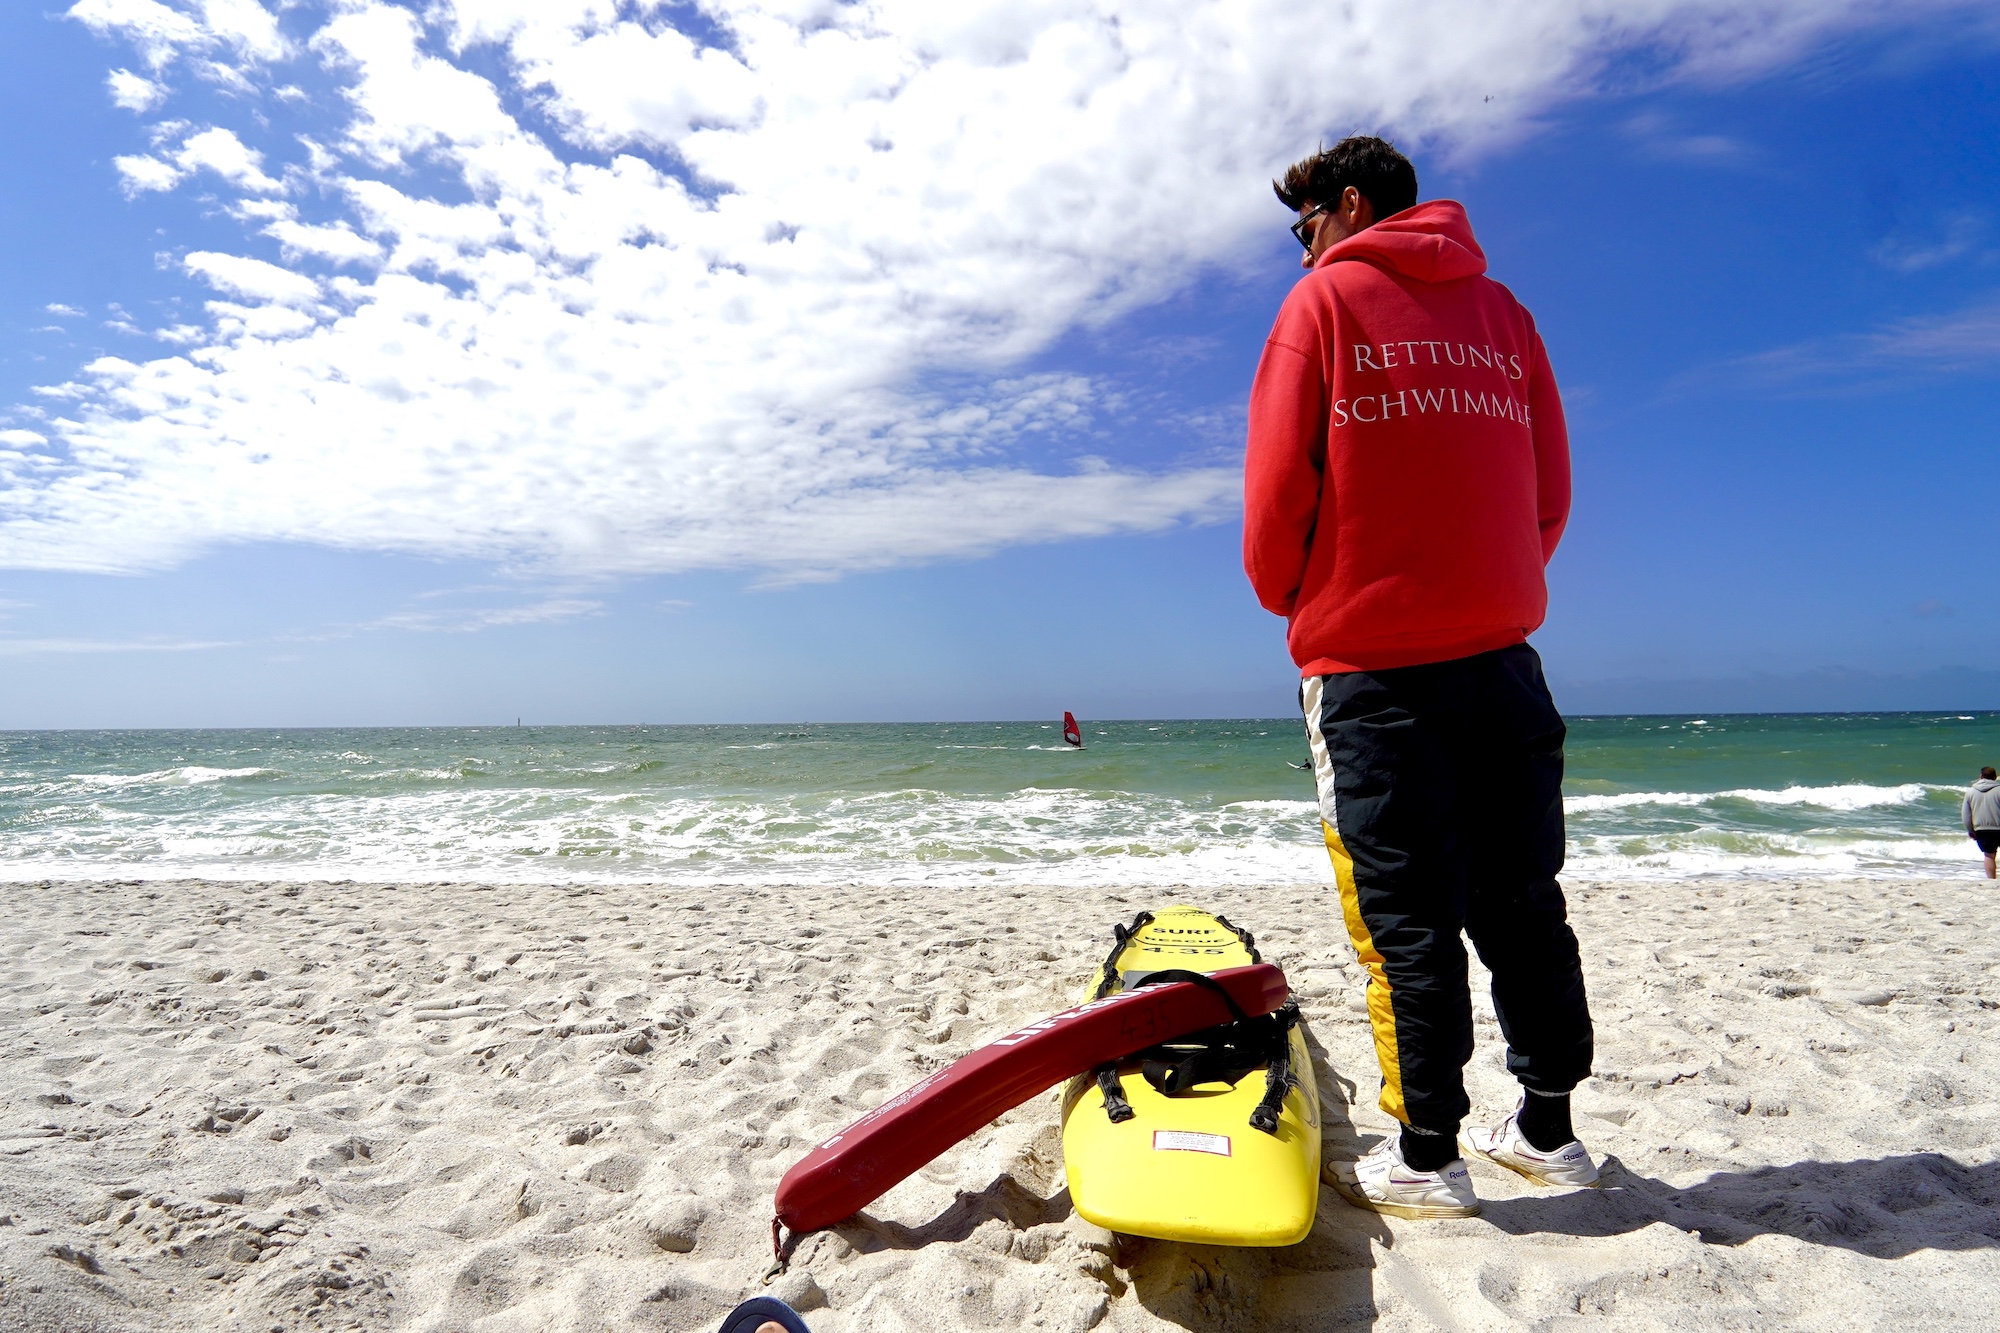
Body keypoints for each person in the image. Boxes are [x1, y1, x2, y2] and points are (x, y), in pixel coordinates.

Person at [1242, 136, 1596, 1219]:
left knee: (1404, 919)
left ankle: (1427, 1154)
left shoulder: (1321, 305)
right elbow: (1548, 491)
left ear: (1349, 204)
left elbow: (1276, 494)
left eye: (1305, 223)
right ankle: (1547, 1131)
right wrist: (1486, 585)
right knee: (1521, 901)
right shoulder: (1506, 316)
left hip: (1371, 668)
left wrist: (1298, 596)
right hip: (1502, 659)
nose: (1302, 245)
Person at [1965, 766, 2000, 879]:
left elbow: (1966, 814)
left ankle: (1991, 881)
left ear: (1981, 776)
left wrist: (1970, 830)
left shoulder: (1971, 792)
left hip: (1982, 829)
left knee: (1989, 856)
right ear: (1995, 777)